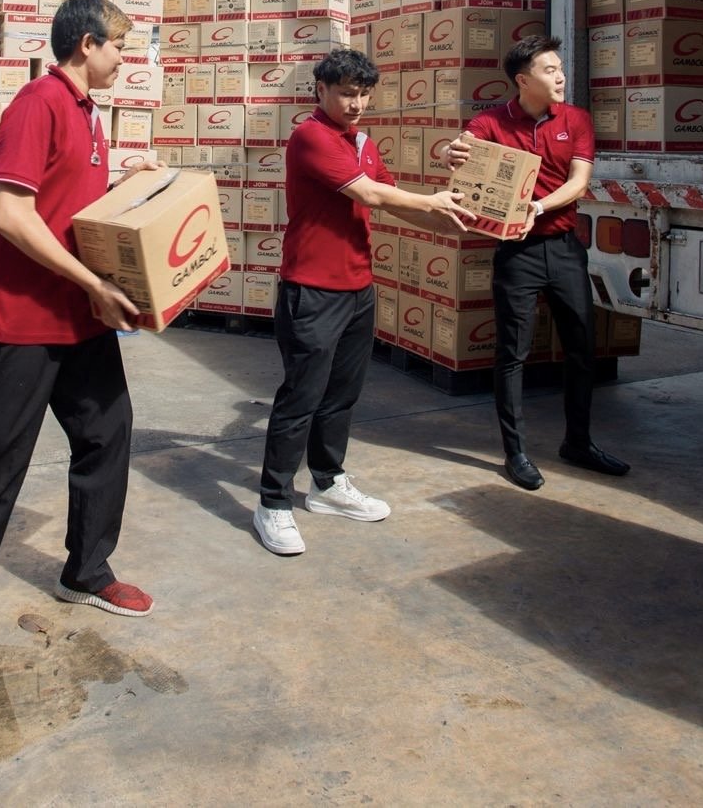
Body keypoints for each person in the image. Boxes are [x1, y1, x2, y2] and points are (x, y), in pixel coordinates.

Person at [0, 0, 154, 641]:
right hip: (24, 317)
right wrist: (93, 283)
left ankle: (87, 569)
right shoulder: (38, 104)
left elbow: (70, 204)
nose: (126, 58)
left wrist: (130, 178)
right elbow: (11, 216)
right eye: (120, 45)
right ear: (86, 44)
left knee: (108, 433)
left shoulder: (88, 114)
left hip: (80, 315)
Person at [252, 48, 478, 557]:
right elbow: (371, 196)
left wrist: (459, 217)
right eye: (347, 94)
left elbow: (393, 198)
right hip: (311, 290)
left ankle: (328, 485)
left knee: (342, 396)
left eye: (363, 94)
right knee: (300, 400)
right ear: (321, 91)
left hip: (357, 288)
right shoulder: (311, 136)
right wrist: (433, 201)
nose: (356, 104)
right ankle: (273, 503)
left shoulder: (362, 142)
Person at [446, 35, 620, 487]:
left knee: (581, 349)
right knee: (512, 355)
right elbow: (455, 149)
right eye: (550, 70)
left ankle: (578, 442)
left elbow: (579, 182)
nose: (561, 76)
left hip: (563, 248)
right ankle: (515, 452)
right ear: (523, 81)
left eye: (561, 67)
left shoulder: (576, 119)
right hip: (516, 254)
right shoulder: (492, 122)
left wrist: (537, 208)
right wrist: (448, 152)